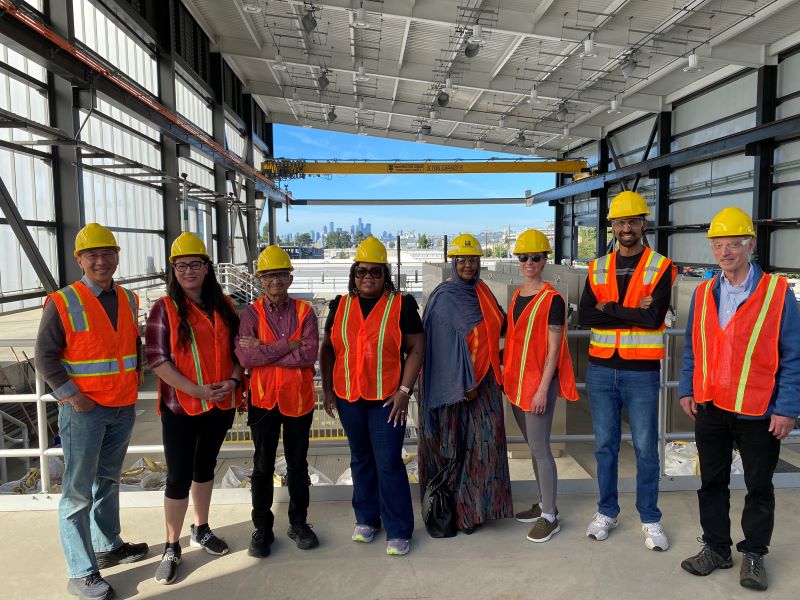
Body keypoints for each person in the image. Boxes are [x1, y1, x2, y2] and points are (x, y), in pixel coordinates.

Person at [678, 207, 800, 591]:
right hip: (711, 407)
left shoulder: (778, 294)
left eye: (733, 243)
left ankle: (754, 554)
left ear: (751, 244)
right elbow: (692, 348)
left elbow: (794, 356)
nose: (725, 251)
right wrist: (686, 388)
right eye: (718, 243)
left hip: (758, 411)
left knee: (758, 486)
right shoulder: (702, 293)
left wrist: (787, 408)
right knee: (710, 482)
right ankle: (716, 548)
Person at [35, 223, 148, 600]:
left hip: (122, 406)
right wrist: (72, 396)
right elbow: (45, 357)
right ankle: (81, 570)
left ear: (117, 256)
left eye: (107, 254)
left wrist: (134, 385)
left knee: (108, 481)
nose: (101, 261)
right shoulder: (63, 301)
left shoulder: (130, 299)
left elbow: (132, 348)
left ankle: (107, 544)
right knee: (77, 492)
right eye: (93, 255)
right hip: (84, 410)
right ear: (79, 260)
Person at [578, 191, 677, 550]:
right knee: (605, 446)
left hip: (641, 372)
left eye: (632, 221)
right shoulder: (596, 267)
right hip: (601, 369)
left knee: (647, 449)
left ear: (643, 224)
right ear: (613, 227)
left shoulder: (662, 267)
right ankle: (607, 511)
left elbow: (653, 320)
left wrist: (610, 307)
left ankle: (650, 518)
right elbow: (585, 315)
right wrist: (632, 307)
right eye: (620, 222)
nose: (626, 228)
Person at [145, 232, 242, 585]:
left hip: (221, 404)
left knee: (205, 468)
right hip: (181, 407)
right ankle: (172, 545)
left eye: (195, 264)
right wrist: (198, 390)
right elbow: (157, 360)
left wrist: (232, 382)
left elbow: (240, 352)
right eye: (181, 265)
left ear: (206, 268)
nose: (188, 271)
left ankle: (201, 528)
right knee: (178, 475)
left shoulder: (225, 306)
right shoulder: (164, 308)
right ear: (173, 269)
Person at [319, 237, 425, 556]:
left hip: (386, 402)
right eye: (362, 271)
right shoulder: (339, 305)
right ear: (354, 273)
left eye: (375, 272)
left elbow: (417, 348)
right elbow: (328, 350)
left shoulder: (401, 305)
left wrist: (405, 391)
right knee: (360, 459)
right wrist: (327, 389)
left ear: (385, 275)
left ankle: (398, 528)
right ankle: (366, 519)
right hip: (349, 398)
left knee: (389, 462)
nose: (368, 277)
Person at [419, 233, 513, 534]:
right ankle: (455, 513)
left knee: (485, 444)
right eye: (462, 260)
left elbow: (500, 321)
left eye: (473, 260)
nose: (468, 265)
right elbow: (439, 349)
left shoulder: (483, 291)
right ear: (453, 262)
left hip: (484, 382)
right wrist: (463, 384)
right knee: (456, 448)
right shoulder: (443, 298)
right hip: (454, 389)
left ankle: (476, 511)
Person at [235, 245, 320, 558]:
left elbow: (308, 354)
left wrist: (266, 351)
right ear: (260, 280)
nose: (275, 281)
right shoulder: (250, 314)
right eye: (269, 276)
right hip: (263, 401)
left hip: (298, 401)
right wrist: (286, 345)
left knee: (298, 466)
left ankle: (299, 523)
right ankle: (263, 528)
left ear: (289, 277)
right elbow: (246, 355)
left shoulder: (305, 311)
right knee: (262, 466)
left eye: (281, 275)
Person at [504, 229, 578, 542]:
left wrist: (542, 389)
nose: (529, 262)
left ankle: (550, 515)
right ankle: (543, 503)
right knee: (533, 450)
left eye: (536, 257)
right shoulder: (518, 295)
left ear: (545, 259)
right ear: (518, 260)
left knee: (541, 450)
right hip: (517, 385)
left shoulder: (553, 300)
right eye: (524, 257)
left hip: (537, 387)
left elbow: (554, 350)